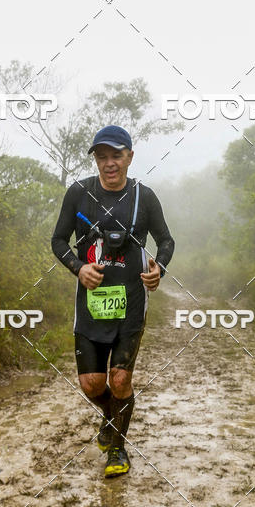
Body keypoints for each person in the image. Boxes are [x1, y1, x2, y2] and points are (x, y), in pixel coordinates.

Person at [51, 124, 175, 477]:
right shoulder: (78, 194)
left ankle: (117, 451)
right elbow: (58, 240)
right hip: (90, 305)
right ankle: (111, 417)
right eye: (102, 157)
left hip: (131, 302)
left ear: (129, 157)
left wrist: (159, 268)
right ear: (96, 160)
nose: (109, 164)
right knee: (92, 384)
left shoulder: (144, 197)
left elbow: (166, 241)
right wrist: (78, 268)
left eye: (116, 156)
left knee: (120, 380)